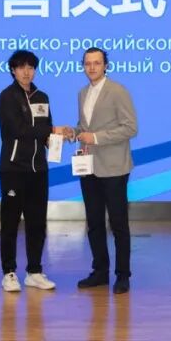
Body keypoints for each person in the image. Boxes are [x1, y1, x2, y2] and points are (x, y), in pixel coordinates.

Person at [64, 47, 138, 294]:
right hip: (89, 167)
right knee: (94, 223)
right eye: (87, 63)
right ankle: (100, 271)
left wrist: (95, 137)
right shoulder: (82, 93)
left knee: (118, 224)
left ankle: (123, 275)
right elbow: (84, 126)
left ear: (106, 65)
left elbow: (130, 128)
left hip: (114, 167)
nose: (92, 67)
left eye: (97, 63)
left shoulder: (118, 91)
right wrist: (73, 132)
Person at [0, 49, 65, 292]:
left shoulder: (42, 97)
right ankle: (9, 272)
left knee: (37, 223)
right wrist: (51, 131)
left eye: (30, 67)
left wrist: (55, 140)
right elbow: (18, 130)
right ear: (13, 70)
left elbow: (46, 128)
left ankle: (34, 272)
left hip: (39, 170)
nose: (26, 72)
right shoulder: (7, 97)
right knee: (10, 222)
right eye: (21, 67)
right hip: (14, 170)